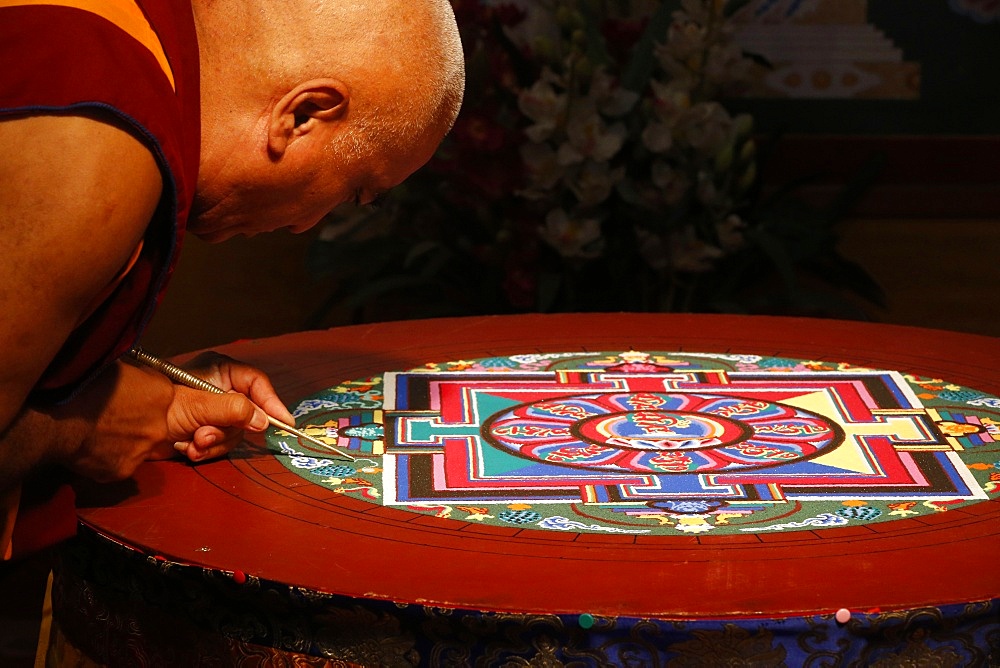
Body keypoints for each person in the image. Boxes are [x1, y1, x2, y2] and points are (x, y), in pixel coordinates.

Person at [0, 0, 465, 561]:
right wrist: (82, 427)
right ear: (302, 114)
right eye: (354, 191)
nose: (306, 225)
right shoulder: (97, 147)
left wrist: (133, 388)